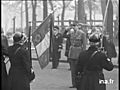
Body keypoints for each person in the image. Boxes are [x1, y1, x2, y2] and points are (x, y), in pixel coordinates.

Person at [68, 23, 87, 88]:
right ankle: (74, 84)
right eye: (72, 26)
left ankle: (80, 83)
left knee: (79, 70)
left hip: (79, 52)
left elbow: (84, 44)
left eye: (75, 26)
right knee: (73, 70)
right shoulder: (72, 33)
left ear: (78, 26)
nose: (74, 28)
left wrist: (84, 54)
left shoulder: (82, 34)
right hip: (72, 52)